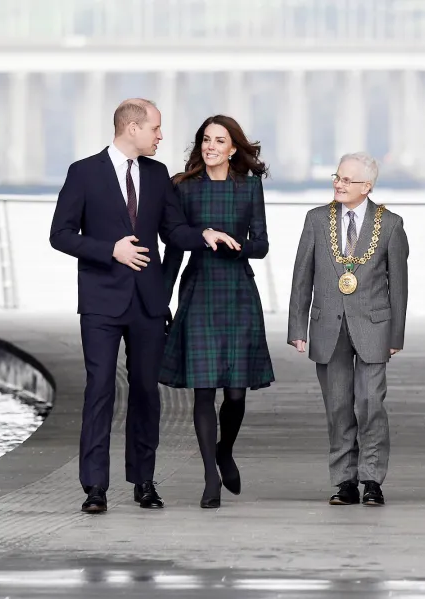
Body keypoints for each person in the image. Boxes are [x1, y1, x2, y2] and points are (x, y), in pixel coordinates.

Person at [49, 98, 240, 514]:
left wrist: (204, 233)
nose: (160, 135)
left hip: (149, 302)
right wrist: (109, 250)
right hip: (100, 301)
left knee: (145, 395)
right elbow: (60, 235)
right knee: (99, 390)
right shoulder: (83, 173)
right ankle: (95, 487)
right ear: (132, 128)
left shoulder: (157, 177)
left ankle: (144, 482)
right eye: (155, 128)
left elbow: (172, 230)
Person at [160, 115, 275, 509]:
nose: (210, 146)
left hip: (239, 291)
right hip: (199, 290)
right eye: (205, 140)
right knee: (204, 389)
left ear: (232, 148)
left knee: (237, 394)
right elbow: (173, 248)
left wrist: (236, 246)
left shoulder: (248, 187)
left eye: (218, 140)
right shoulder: (183, 188)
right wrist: (160, 301)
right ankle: (211, 475)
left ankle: (225, 450)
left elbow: (261, 244)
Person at [287, 152, 409, 507]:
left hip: (374, 327)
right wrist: (298, 325)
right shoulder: (315, 220)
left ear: (366, 187)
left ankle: (371, 479)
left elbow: (398, 286)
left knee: (371, 403)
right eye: (336, 178)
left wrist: (396, 335)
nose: (338, 185)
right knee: (338, 407)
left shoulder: (391, 225)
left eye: (346, 180)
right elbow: (301, 277)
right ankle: (344, 481)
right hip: (328, 326)